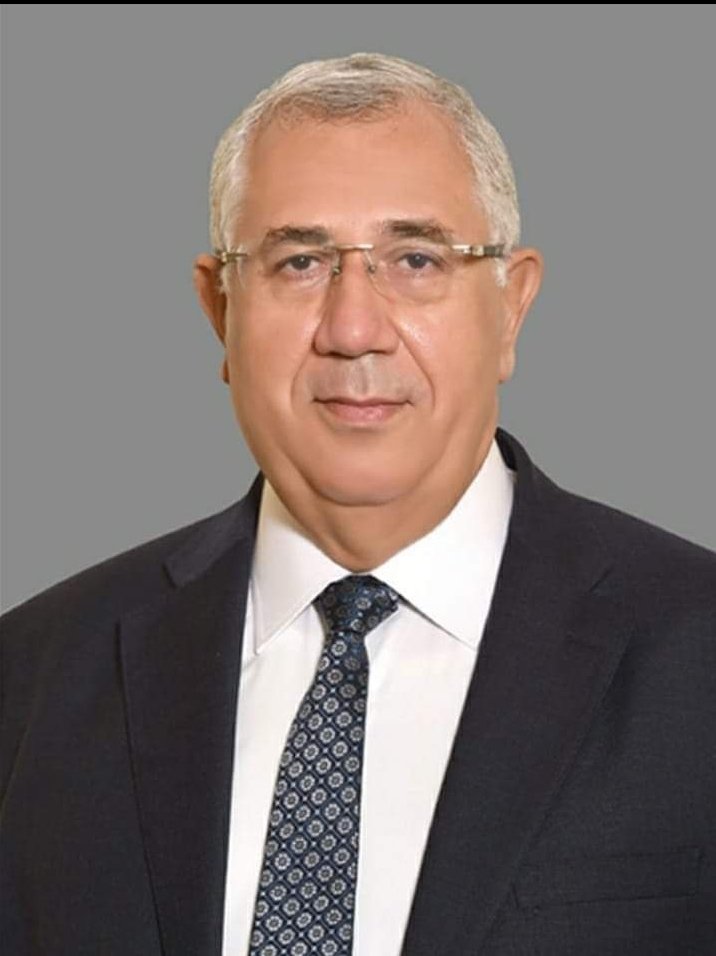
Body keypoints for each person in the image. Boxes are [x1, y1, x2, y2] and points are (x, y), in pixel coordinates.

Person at [1, 50, 715, 956]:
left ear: (511, 307)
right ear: (221, 309)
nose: (353, 330)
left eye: (416, 259)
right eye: (299, 262)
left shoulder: (698, 653)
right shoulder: (32, 678)